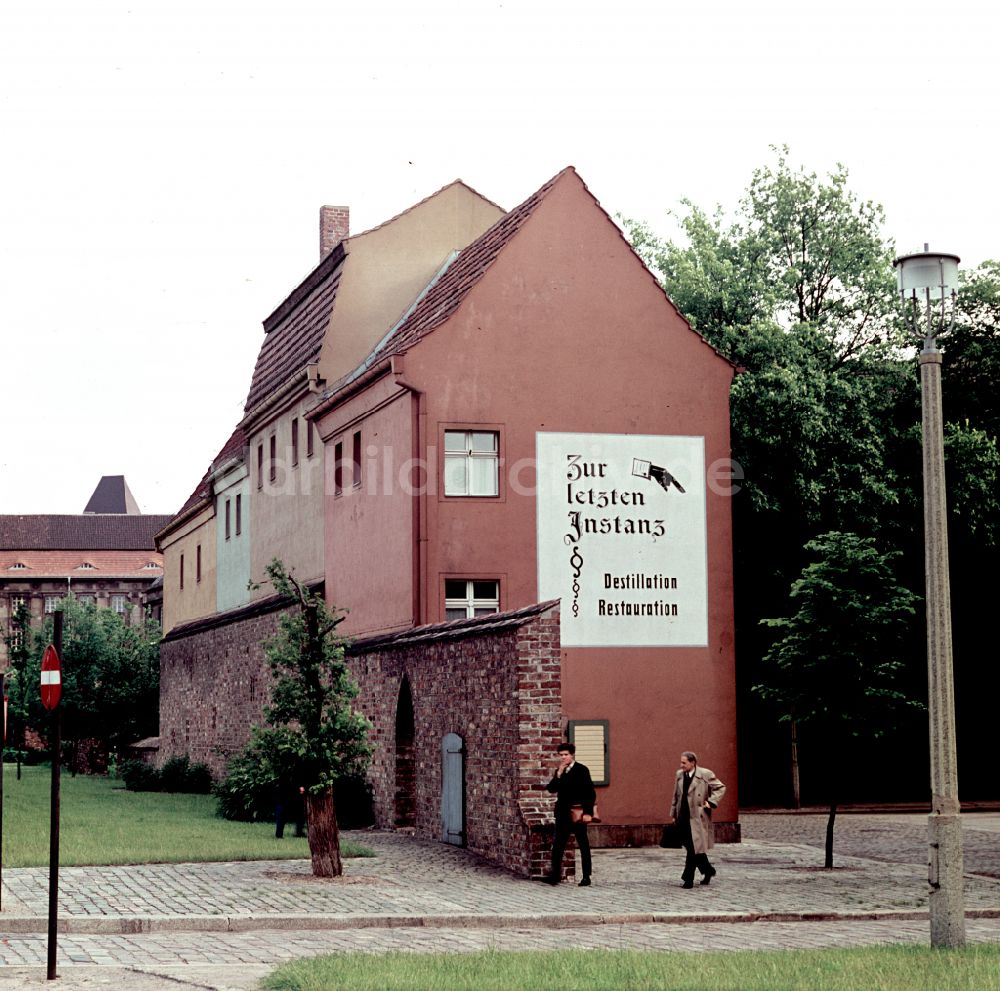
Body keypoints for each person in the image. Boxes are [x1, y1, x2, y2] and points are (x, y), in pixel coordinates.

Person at [668, 750, 726, 888]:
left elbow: (720, 787)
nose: (681, 765)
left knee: (693, 848)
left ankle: (688, 879)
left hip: (697, 818)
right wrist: (673, 814)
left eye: (684, 762)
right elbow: (676, 795)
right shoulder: (679, 775)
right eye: (681, 762)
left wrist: (710, 802)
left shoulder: (705, 774)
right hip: (683, 817)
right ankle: (708, 870)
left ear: (693, 762)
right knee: (692, 848)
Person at [542, 742, 596, 886]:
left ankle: (586, 876)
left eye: (566, 755)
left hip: (578, 813)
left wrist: (588, 812)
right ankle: (554, 876)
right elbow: (551, 789)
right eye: (561, 755)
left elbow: (590, 793)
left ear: (572, 755)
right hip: (562, 813)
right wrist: (558, 774)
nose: (563, 757)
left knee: (583, 844)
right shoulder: (560, 771)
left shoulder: (582, 770)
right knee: (558, 844)